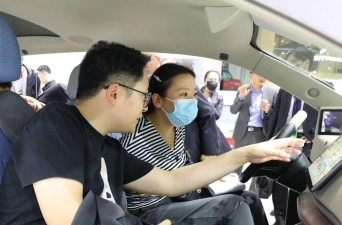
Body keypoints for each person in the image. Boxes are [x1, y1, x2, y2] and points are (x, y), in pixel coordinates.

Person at [0, 41, 304, 225]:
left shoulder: (106, 145)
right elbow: (68, 220)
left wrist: (247, 153)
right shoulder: (56, 127)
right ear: (115, 94)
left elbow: (171, 181)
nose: (146, 106)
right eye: (144, 96)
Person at [120, 63, 269, 225]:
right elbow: (172, 181)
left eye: (193, 95)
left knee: (250, 199)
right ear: (157, 100)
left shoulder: (178, 127)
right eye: (184, 94)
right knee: (234, 207)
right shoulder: (136, 139)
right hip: (150, 209)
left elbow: (180, 167)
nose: (191, 102)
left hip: (176, 197)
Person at [265, 46, 319, 225]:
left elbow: (328, 118)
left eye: (294, 63)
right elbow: (277, 117)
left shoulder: (321, 89)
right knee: (280, 184)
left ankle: (295, 220)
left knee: (301, 186)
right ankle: (280, 219)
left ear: (306, 63)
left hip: (306, 144)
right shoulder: (285, 89)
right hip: (283, 141)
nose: (290, 67)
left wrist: (314, 137)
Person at [230, 72, 279, 174]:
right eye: (259, 74)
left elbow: (275, 116)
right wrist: (241, 97)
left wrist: (268, 110)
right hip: (242, 133)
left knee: (259, 165)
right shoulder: (243, 90)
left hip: (260, 134)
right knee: (236, 164)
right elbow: (233, 110)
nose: (262, 77)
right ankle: (233, 187)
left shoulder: (272, 92)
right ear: (251, 75)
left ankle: (256, 188)